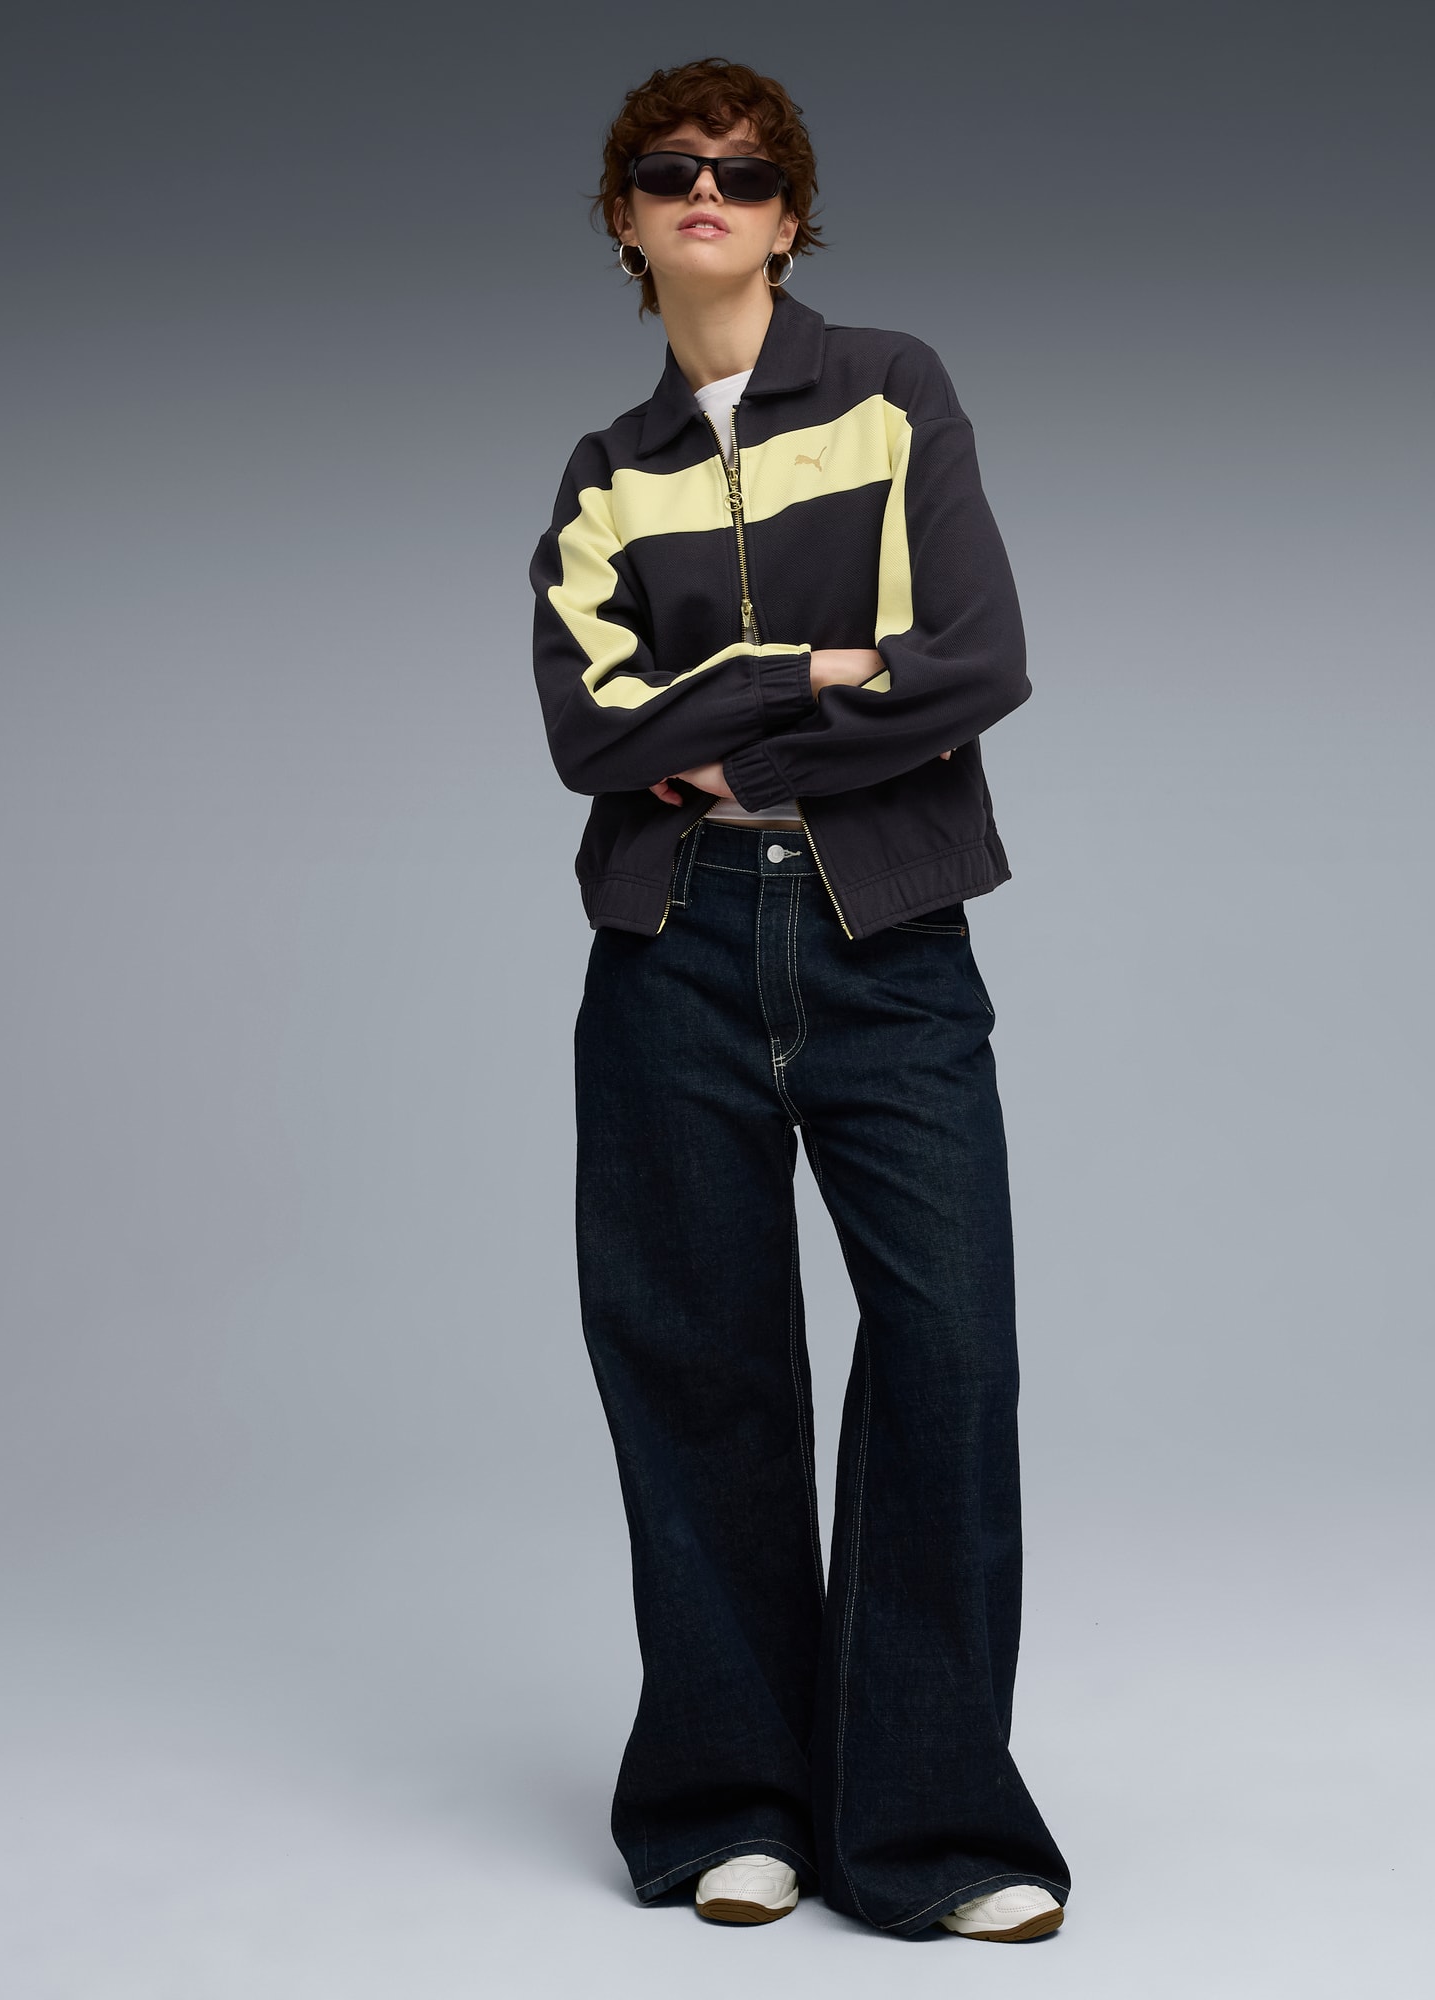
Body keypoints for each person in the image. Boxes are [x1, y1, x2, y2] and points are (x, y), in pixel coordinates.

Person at [529, 57, 1070, 1943]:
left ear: (789, 215)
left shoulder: (895, 391)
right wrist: (815, 669)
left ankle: (932, 1825)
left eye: (746, 173)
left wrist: (728, 713)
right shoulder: (606, 476)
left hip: (884, 938)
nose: (709, 190)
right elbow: (588, 732)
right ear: (624, 218)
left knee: (949, 1360)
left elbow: (976, 659)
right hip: (669, 948)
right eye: (670, 169)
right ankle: (728, 1805)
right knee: (695, 1366)